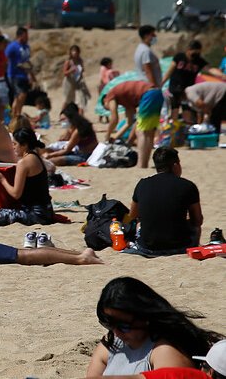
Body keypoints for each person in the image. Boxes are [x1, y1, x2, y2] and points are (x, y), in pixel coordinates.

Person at [86, 277, 223, 376]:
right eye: (109, 323)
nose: (116, 332)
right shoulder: (112, 342)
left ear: (144, 317)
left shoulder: (165, 351)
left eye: (124, 326)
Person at [126, 147, 203, 256]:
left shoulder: (142, 184)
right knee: (195, 227)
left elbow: (132, 215)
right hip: (180, 248)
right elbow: (197, 221)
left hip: (147, 248)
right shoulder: (188, 186)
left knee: (139, 221)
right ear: (176, 166)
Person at [0, 128, 56, 227]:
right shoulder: (35, 157)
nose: (13, 147)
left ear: (24, 145)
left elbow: (16, 194)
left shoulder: (24, 162)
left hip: (35, 214)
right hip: (47, 211)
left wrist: (2, 180)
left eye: (15, 144)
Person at [105, 80, 163, 169]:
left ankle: (141, 165)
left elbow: (114, 119)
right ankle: (144, 164)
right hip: (157, 93)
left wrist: (106, 137)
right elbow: (129, 122)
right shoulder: (125, 100)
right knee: (149, 131)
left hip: (148, 94)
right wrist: (114, 137)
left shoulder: (109, 96)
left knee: (141, 132)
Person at [6, 26, 34, 120]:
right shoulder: (13, 46)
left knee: (20, 96)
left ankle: (17, 114)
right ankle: (16, 114)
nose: (27, 38)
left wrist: (31, 74)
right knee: (20, 95)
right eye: (26, 35)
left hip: (24, 75)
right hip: (14, 75)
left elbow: (27, 61)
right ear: (20, 35)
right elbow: (6, 57)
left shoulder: (26, 47)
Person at [62, 44, 91, 109]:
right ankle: (62, 114)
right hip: (69, 81)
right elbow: (64, 73)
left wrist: (82, 70)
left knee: (80, 99)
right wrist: (70, 71)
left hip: (78, 81)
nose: (74, 52)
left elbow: (81, 70)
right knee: (68, 99)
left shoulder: (80, 60)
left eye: (76, 51)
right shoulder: (68, 61)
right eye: (73, 51)